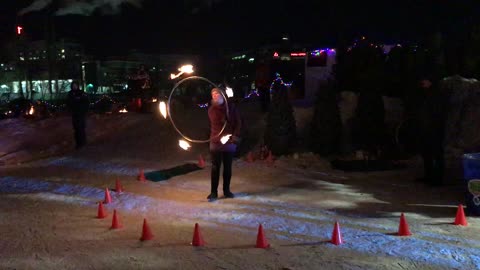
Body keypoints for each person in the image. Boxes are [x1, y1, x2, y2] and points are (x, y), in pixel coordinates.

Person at [207, 88, 242, 201]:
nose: (215, 96)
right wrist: (225, 117)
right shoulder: (212, 110)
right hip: (216, 142)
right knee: (215, 167)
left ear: (222, 95)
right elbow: (217, 122)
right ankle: (213, 192)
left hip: (229, 142)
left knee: (227, 167)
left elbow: (238, 122)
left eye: (217, 93)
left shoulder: (231, 108)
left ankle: (226, 191)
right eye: (213, 94)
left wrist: (235, 135)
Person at [417, 76, 447, 186]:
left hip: (435, 129)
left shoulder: (437, 95)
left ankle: (438, 179)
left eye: (425, 80)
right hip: (426, 128)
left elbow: (437, 113)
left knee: (437, 153)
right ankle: (429, 176)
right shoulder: (426, 94)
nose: (423, 82)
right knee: (427, 153)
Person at [67, 81, 89, 149]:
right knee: (76, 129)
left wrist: (84, 110)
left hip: (81, 113)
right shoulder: (70, 93)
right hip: (75, 113)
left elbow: (86, 101)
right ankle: (78, 143)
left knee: (81, 128)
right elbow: (69, 102)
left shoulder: (81, 93)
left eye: (75, 85)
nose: (74, 87)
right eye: (73, 85)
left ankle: (83, 142)